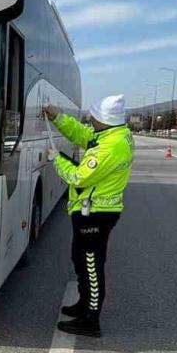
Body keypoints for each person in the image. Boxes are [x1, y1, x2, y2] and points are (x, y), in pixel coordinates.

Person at [42, 94, 134, 338]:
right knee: (79, 259)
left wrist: (56, 159)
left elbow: (78, 177)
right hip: (90, 210)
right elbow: (83, 134)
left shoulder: (112, 146)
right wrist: (57, 117)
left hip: (96, 213)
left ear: (105, 119)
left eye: (94, 116)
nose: (90, 119)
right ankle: (84, 305)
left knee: (92, 266)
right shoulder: (110, 134)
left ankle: (91, 320)